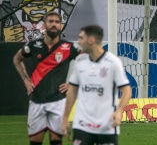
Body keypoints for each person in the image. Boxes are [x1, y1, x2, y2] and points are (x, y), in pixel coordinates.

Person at [13, 11, 80, 145]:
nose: (54, 24)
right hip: (37, 100)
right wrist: (26, 79)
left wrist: (72, 84)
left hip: (59, 101)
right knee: (35, 141)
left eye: (57, 22)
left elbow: (85, 63)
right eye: (50, 21)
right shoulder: (32, 46)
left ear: (60, 26)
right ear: (44, 25)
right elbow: (16, 59)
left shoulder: (68, 47)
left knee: (56, 141)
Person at [62, 25, 132, 144]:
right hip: (82, 124)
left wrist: (119, 110)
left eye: (81, 38)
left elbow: (126, 90)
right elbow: (72, 90)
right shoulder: (79, 61)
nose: (78, 42)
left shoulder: (113, 62)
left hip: (107, 124)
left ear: (91, 40)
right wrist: (65, 118)